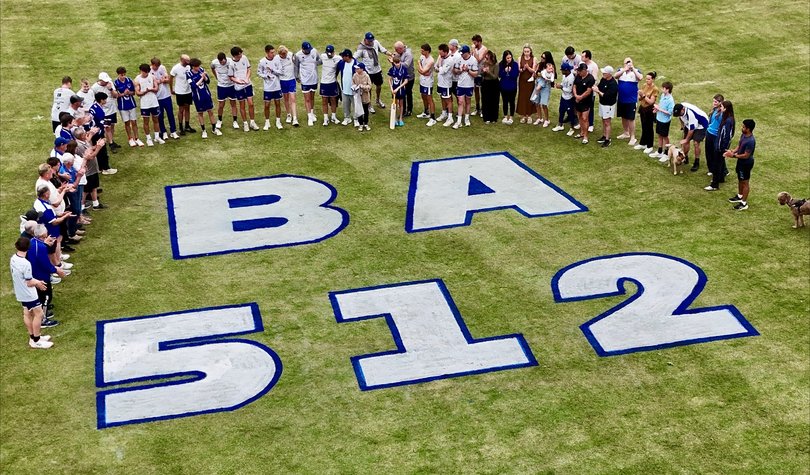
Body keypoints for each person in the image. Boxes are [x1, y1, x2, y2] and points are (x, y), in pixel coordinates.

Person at [10, 237, 53, 348]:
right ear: (28, 248)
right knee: (39, 314)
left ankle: (33, 337)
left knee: (27, 313)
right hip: (28, 293)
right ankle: (36, 340)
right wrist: (39, 283)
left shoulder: (13, 258)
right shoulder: (26, 263)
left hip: (20, 290)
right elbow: (29, 282)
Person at [26, 223, 65, 327]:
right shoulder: (42, 247)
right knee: (46, 296)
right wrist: (57, 270)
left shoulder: (32, 242)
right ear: (43, 236)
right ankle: (43, 319)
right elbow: (45, 264)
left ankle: (43, 312)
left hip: (34, 274)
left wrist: (46, 244)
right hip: (41, 276)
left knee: (41, 296)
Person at [724, 119, 756, 210]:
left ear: (748, 129)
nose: (742, 128)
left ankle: (744, 203)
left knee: (745, 182)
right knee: (740, 179)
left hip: (746, 163)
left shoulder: (750, 141)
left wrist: (733, 155)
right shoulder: (744, 135)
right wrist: (732, 151)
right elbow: (739, 145)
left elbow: (746, 155)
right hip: (740, 162)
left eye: (743, 127)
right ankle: (740, 195)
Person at [186, 58, 222, 139]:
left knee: (210, 111)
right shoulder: (188, 74)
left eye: (199, 66)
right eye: (197, 66)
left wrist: (205, 77)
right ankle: (204, 130)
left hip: (206, 94)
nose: (198, 67)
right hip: (198, 97)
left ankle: (214, 128)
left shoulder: (201, 70)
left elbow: (208, 81)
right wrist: (202, 78)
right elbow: (194, 86)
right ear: (192, 66)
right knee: (200, 113)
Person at [356, 32, 391, 112]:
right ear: (365, 40)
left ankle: (378, 100)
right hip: (368, 71)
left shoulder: (375, 43)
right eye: (369, 41)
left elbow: (383, 50)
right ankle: (369, 104)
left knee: (379, 86)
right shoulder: (361, 48)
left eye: (372, 41)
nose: (371, 42)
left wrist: (391, 54)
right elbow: (355, 57)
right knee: (369, 88)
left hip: (377, 69)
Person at [707, 100, 736, 191]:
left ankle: (714, 184)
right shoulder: (728, 118)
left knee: (717, 164)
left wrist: (722, 147)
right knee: (720, 163)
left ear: (726, 108)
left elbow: (726, 135)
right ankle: (721, 178)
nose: (720, 108)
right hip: (721, 145)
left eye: (722, 107)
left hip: (721, 146)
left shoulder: (727, 121)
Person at [230, 46, 259, 131]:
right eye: (239, 55)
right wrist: (238, 81)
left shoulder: (244, 58)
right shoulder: (231, 64)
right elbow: (231, 77)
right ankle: (245, 123)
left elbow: (249, 69)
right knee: (242, 105)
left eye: (241, 54)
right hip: (239, 87)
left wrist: (247, 78)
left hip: (247, 84)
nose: (241, 55)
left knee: (251, 104)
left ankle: (252, 122)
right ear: (235, 56)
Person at [673, 102, 709, 171]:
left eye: (679, 113)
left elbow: (691, 130)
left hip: (701, 125)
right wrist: (682, 125)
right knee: (685, 143)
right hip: (689, 123)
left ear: (683, 109)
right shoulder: (679, 108)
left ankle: (696, 162)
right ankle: (685, 157)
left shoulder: (691, 115)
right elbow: (680, 117)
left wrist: (686, 139)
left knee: (696, 143)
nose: (679, 115)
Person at [614, 57, 642, 145]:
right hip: (621, 98)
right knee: (623, 116)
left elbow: (640, 77)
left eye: (630, 63)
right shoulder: (621, 70)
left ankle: (632, 137)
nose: (628, 64)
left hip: (631, 100)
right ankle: (626, 132)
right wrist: (624, 70)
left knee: (631, 118)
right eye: (626, 63)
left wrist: (633, 69)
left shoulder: (636, 71)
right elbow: (615, 76)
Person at [134, 63, 164, 146]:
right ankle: (148, 138)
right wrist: (145, 92)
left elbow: (156, 88)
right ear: (141, 71)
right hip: (145, 104)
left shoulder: (152, 77)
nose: (145, 74)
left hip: (154, 102)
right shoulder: (137, 79)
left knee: (156, 120)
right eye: (144, 72)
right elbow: (138, 93)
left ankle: (157, 137)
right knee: (146, 121)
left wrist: (151, 89)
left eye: (146, 72)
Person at [151, 58, 178, 140]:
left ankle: (173, 131)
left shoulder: (162, 68)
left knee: (170, 114)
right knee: (160, 116)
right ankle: (163, 132)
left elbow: (167, 79)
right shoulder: (149, 71)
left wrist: (163, 80)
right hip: (157, 97)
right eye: (155, 66)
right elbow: (151, 83)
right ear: (152, 64)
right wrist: (159, 81)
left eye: (158, 66)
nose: (157, 68)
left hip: (166, 95)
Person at [451, 45, 478, 129]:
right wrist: (460, 70)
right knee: (460, 102)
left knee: (468, 101)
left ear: (467, 53)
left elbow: (475, 74)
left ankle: (466, 118)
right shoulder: (459, 59)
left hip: (469, 85)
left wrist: (467, 70)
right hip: (460, 84)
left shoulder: (473, 60)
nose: (461, 55)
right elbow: (454, 70)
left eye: (463, 53)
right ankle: (458, 121)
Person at [258, 45, 284, 130]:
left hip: (277, 86)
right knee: (267, 105)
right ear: (267, 52)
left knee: (277, 103)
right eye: (271, 52)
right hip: (268, 87)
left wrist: (273, 71)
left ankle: (278, 121)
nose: (273, 54)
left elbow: (281, 72)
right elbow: (259, 73)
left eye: (274, 52)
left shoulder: (277, 59)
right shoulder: (262, 61)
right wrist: (266, 76)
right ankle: (267, 122)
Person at [114, 67, 142, 147]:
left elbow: (133, 93)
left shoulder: (129, 80)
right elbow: (115, 95)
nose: (123, 76)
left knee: (134, 122)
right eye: (121, 75)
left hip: (131, 104)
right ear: (118, 74)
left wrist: (129, 92)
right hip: (122, 106)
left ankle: (137, 138)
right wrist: (123, 94)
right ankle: (130, 138)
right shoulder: (115, 83)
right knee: (127, 122)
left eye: (124, 74)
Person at [92, 73, 120, 150]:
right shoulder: (94, 87)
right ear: (100, 80)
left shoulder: (110, 84)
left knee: (112, 126)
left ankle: (111, 140)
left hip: (112, 109)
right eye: (104, 81)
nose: (106, 82)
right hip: (104, 111)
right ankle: (110, 143)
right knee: (107, 127)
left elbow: (116, 95)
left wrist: (111, 89)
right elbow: (93, 99)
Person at [211, 52, 239, 131]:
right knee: (221, 105)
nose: (222, 63)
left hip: (231, 86)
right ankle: (219, 120)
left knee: (233, 103)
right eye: (220, 62)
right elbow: (212, 68)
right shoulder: (214, 63)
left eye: (223, 61)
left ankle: (235, 121)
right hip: (221, 86)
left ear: (225, 59)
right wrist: (216, 76)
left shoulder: (230, 61)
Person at [294, 41, 320, 126]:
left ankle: (312, 113)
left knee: (312, 97)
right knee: (307, 99)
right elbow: (296, 66)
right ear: (303, 49)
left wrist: (314, 64)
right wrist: (297, 76)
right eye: (307, 50)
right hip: (305, 80)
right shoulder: (298, 55)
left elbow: (319, 60)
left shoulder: (314, 51)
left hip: (314, 79)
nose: (309, 51)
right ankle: (309, 117)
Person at [593, 65, 618, 147]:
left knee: (607, 122)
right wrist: (597, 87)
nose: (603, 73)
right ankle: (604, 136)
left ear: (609, 74)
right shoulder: (603, 79)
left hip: (608, 105)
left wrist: (597, 91)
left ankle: (607, 139)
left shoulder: (613, 84)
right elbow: (600, 87)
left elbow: (606, 95)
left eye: (605, 73)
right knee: (603, 120)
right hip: (602, 103)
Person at [170, 55, 195, 135]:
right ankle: (181, 127)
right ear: (182, 60)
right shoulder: (176, 68)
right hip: (180, 92)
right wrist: (171, 89)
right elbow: (171, 78)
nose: (188, 62)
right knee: (181, 109)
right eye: (187, 60)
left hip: (188, 91)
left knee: (187, 108)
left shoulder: (189, 67)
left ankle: (187, 125)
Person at [636, 72, 659, 154]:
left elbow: (651, 102)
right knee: (643, 126)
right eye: (646, 79)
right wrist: (640, 95)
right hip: (643, 108)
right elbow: (639, 98)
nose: (647, 80)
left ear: (653, 79)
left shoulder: (655, 89)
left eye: (649, 79)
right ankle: (643, 143)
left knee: (649, 127)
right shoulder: (644, 86)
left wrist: (643, 96)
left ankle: (650, 145)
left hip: (649, 110)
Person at [552, 62, 578, 135]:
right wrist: (561, 85)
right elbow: (563, 84)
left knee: (570, 113)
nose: (562, 71)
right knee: (561, 111)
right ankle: (560, 125)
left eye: (562, 70)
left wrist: (561, 87)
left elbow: (569, 90)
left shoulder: (571, 78)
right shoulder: (564, 76)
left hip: (569, 98)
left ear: (566, 70)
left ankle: (572, 128)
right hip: (563, 97)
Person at [651, 81, 675, 161]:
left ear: (667, 90)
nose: (662, 89)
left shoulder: (670, 100)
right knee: (659, 135)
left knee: (665, 137)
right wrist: (656, 109)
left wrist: (659, 109)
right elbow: (661, 106)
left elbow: (669, 112)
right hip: (659, 118)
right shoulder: (662, 95)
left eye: (663, 88)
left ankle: (666, 153)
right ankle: (659, 151)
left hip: (665, 121)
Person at [319, 45, 341, 126]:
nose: (329, 55)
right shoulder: (323, 56)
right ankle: (325, 118)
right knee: (324, 100)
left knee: (333, 100)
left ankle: (333, 117)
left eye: (330, 53)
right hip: (324, 83)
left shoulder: (338, 58)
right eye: (328, 53)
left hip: (332, 82)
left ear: (333, 52)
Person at [572, 63, 595, 144]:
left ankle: (585, 136)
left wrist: (580, 97)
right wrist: (575, 95)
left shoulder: (590, 78)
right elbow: (574, 86)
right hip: (578, 100)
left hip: (586, 102)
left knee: (585, 118)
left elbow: (588, 91)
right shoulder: (578, 76)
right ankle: (581, 132)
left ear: (585, 70)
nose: (579, 73)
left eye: (580, 71)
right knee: (580, 117)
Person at [276, 45, 298, 127]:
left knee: (292, 98)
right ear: (280, 54)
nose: (285, 55)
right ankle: (289, 114)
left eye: (285, 54)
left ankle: (295, 118)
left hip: (291, 80)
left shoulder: (291, 55)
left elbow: (296, 64)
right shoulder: (276, 59)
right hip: (282, 81)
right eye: (283, 55)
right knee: (286, 98)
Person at [416, 43, 437, 126]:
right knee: (423, 96)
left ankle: (432, 118)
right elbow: (422, 71)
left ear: (427, 51)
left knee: (429, 98)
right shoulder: (422, 57)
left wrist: (419, 65)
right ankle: (426, 112)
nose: (421, 52)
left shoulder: (431, 60)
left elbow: (423, 71)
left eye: (423, 50)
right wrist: (422, 71)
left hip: (428, 82)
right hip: (422, 80)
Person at [392, 41, 415, 116]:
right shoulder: (400, 53)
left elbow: (406, 65)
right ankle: (403, 109)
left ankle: (409, 110)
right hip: (401, 77)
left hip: (409, 77)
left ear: (401, 48)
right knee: (402, 93)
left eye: (396, 49)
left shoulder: (408, 54)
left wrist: (396, 62)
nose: (396, 51)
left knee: (408, 93)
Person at [516, 44, 537, 123]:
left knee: (529, 97)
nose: (526, 53)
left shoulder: (534, 59)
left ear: (530, 51)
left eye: (528, 51)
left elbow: (534, 71)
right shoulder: (519, 58)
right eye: (525, 51)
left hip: (530, 81)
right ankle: (523, 115)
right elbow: (519, 70)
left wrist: (528, 68)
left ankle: (529, 115)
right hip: (522, 81)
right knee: (522, 97)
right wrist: (523, 69)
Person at [435, 43, 455, 126]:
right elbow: (435, 68)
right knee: (442, 98)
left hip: (446, 84)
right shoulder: (441, 57)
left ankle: (450, 118)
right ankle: (444, 113)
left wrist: (439, 64)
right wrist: (439, 67)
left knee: (448, 100)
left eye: (441, 53)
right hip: (440, 83)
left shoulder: (449, 60)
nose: (439, 55)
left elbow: (443, 71)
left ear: (445, 52)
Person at [388, 54, 409, 127]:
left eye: (398, 62)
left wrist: (397, 88)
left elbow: (406, 81)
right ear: (393, 62)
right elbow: (389, 80)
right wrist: (391, 89)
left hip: (401, 90)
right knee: (395, 104)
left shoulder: (403, 69)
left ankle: (400, 118)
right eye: (395, 63)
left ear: (400, 61)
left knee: (401, 104)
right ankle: (395, 118)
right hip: (394, 90)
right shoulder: (392, 69)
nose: (397, 64)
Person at [532, 59, 555, 126]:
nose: (542, 58)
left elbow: (552, 79)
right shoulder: (542, 69)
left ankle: (547, 120)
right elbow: (537, 75)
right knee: (536, 103)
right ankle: (540, 118)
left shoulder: (551, 72)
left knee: (544, 104)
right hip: (539, 84)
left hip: (546, 87)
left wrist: (547, 79)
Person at [337, 49, 357, 125]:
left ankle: (356, 119)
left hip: (354, 90)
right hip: (344, 89)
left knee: (355, 106)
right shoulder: (341, 63)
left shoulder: (356, 64)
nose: (342, 58)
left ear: (347, 56)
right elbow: (336, 71)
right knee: (345, 105)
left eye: (343, 56)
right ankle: (347, 118)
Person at [498, 50, 518, 124]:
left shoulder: (515, 64)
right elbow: (499, 75)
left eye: (510, 57)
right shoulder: (501, 64)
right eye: (507, 58)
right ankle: (505, 116)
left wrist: (510, 71)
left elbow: (515, 75)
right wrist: (504, 71)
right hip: (503, 87)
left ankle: (511, 117)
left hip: (512, 87)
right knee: (505, 101)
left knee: (512, 102)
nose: (509, 59)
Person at [479, 50, 499, 124]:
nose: (486, 59)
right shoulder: (484, 63)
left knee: (494, 100)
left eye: (487, 57)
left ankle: (494, 117)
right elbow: (481, 74)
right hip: (486, 83)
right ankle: (486, 117)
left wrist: (489, 72)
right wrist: (483, 72)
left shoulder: (496, 65)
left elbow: (495, 76)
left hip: (494, 84)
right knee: (485, 100)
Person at [471, 34, 488, 117]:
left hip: (481, 73)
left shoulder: (484, 49)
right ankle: (477, 108)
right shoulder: (474, 49)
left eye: (475, 43)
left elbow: (478, 60)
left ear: (479, 42)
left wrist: (474, 51)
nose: (474, 44)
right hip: (474, 72)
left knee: (482, 91)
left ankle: (483, 108)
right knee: (476, 91)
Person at [581, 50, 598, 132]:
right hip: (581, 89)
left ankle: (590, 124)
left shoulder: (594, 66)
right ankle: (582, 122)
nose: (581, 57)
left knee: (590, 107)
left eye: (583, 56)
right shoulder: (582, 64)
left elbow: (594, 79)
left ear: (587, 57)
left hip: (590, 90)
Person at [352, 62, 372, 131]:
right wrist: (355, 87)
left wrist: (362, 86)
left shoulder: (366, 76)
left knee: (366, 111)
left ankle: (366, 123)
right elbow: (353, 83)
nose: (356, 70)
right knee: (359, 111)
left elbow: (369, 86)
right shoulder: (355, 75)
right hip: (358, 97)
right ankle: (360, 124)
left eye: (358, 68)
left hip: (365, 96)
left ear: (362, 69)